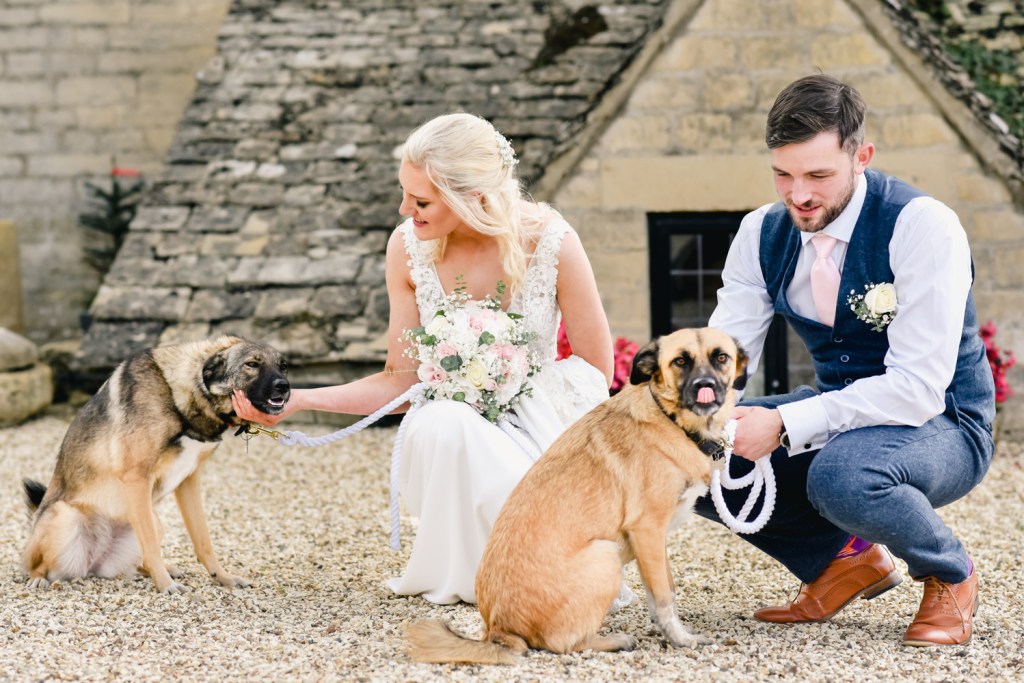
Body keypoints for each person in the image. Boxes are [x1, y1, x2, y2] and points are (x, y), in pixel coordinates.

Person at [233, 112, 614, 604]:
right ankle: (486, 575)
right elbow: (401, 381)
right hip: (442, 442)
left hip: (537, 430)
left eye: (421, 200)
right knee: (443, 419)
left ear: (471, 196)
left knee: (455, 422)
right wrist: (299, 400)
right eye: (405, 193)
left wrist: (510, 389)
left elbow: (595, 369)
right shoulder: (406, 249)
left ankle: (539, 570)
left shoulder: (552, 241)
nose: (404, 209)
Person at [697, 74, 995, 647]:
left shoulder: (923, 225)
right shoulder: (760, 232)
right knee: (688, 446)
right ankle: (840, 563)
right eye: (783, 174)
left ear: (862, 157)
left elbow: (917, 389)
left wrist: (783, 424)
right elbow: (723, 355)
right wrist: (696, 412)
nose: (799, 195)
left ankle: (949, 573)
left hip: (943, 423)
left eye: (818, 175)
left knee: (844, 476)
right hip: (839, 414)